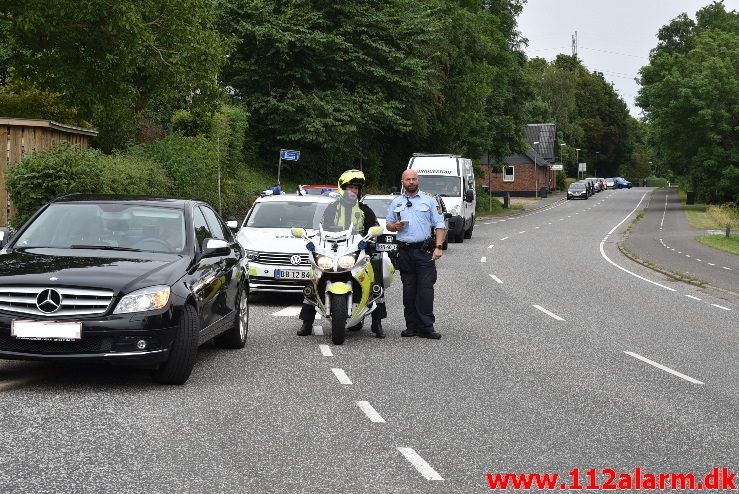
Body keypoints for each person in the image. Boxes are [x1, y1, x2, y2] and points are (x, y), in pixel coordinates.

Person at [297, 169, 387, 338]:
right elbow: (320, 229)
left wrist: (373, 238)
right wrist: (315, 242)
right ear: (343, 188)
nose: (354, 191)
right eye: (351, 187)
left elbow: (375, 229)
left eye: (356, 188)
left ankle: (377, 323)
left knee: (376, 285)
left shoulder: (365, 210)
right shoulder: (332, 208)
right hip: (333, 251)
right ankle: (306, 323)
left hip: (359, 252)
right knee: (313, 280)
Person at [385, 169, 446, 339]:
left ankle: (427, 327)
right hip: (404, 252)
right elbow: (388, 224)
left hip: (424, 252)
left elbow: (440, 225)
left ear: (418, 181)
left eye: (413, 179)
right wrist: (394, 227)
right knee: (409, 291)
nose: (411, 182)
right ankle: (411, 326)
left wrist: (438, 247)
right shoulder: (396, 202)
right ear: (402, 181)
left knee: (425, 290)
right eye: (407, 179)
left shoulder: (430, 201)